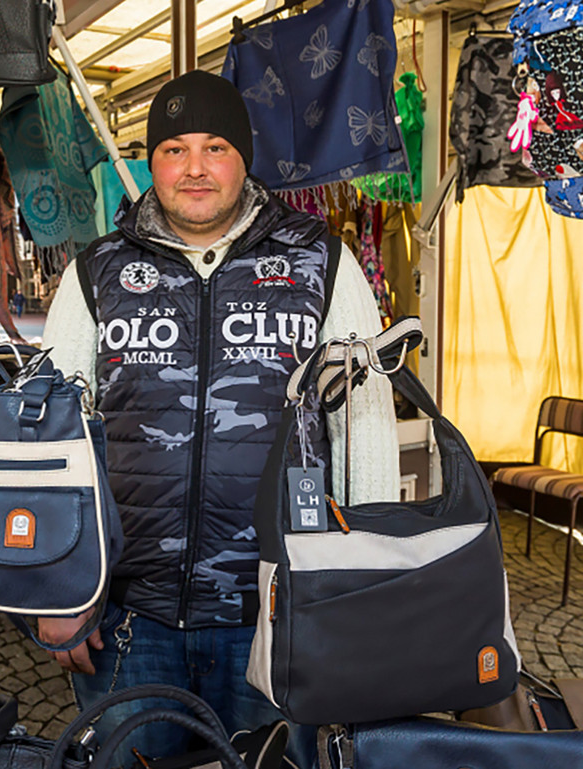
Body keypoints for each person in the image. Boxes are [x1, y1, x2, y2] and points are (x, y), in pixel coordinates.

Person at [41, 70, 399, 768]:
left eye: (215, 147)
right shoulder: (97, 272)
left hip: (278, 616)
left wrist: (363, 591)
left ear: (244, 158)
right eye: (175, 149)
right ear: (152, 162)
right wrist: (54, 584)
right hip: (128, 621)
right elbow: (50, 433)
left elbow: (369, 428)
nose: (195, 168)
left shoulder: (321, 262)